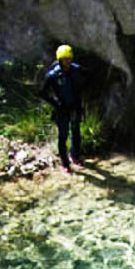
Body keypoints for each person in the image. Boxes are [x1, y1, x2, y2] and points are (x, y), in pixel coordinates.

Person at [39, 44, 85, 174]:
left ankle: (75, 156)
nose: (68, 61)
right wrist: (56, 103)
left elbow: (87, 79)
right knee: (63, 136)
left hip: (75, 106)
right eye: (65, 59)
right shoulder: (53, 75)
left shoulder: (76, 69)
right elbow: (42, 92)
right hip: (62, 109)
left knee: (76, 132)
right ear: (60, 59)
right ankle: (65, 163)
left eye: (69, 58)